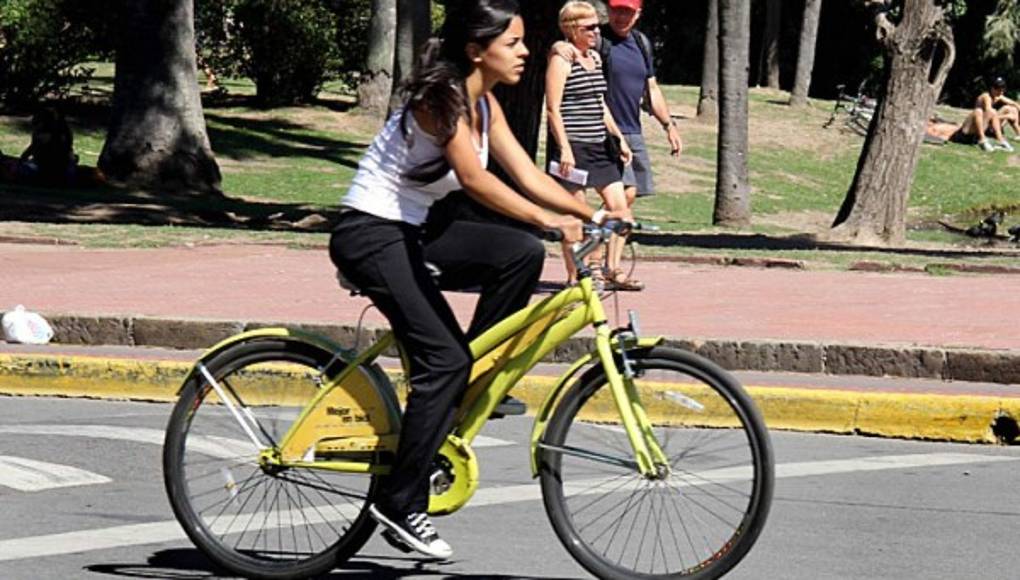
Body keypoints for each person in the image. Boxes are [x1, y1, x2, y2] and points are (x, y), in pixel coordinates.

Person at [329, 0, 610, 560]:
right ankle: (400, 502)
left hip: (420, 229)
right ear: (477, 50)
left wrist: (592, 214)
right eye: (514, 43)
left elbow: (527, 173)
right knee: (443, 361)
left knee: (518, 255)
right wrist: (549, 219)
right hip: (372, 232)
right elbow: (475, 179)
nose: (526, 51)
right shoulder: (444, 100)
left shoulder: (487, 104)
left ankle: (476, 376)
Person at [552, 0, 682, 284]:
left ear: (638, 13)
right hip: (588, 137)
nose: (620, 16)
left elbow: (651, 88)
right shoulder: (595, 43)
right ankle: (590, 270)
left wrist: (668, 124)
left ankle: (606, 266)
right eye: (615, 10)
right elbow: (557, 94)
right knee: (605, 205)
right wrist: (560, 46)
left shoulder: (640, 43)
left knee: (627, 198)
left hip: (624, 131)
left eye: (627, 10)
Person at [546, 1, 637, 289]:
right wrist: (565, 149)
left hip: (599, 144)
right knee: (576, 216)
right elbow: (553, 108)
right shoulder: (561, 59)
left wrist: (618, 137)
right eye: (588, 28)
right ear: (572, 29)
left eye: (596, 26)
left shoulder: (594, 58)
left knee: (620, 209)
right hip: (573, 146)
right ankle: (577, 275)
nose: (596, 32)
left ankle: (601, 266)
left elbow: (600, 102)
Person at [18, 107, 77, 183]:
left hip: (46, 170)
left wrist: (21, 160)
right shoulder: (65, 132)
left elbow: (32, 149)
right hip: (64, 170)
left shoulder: (44, 135)